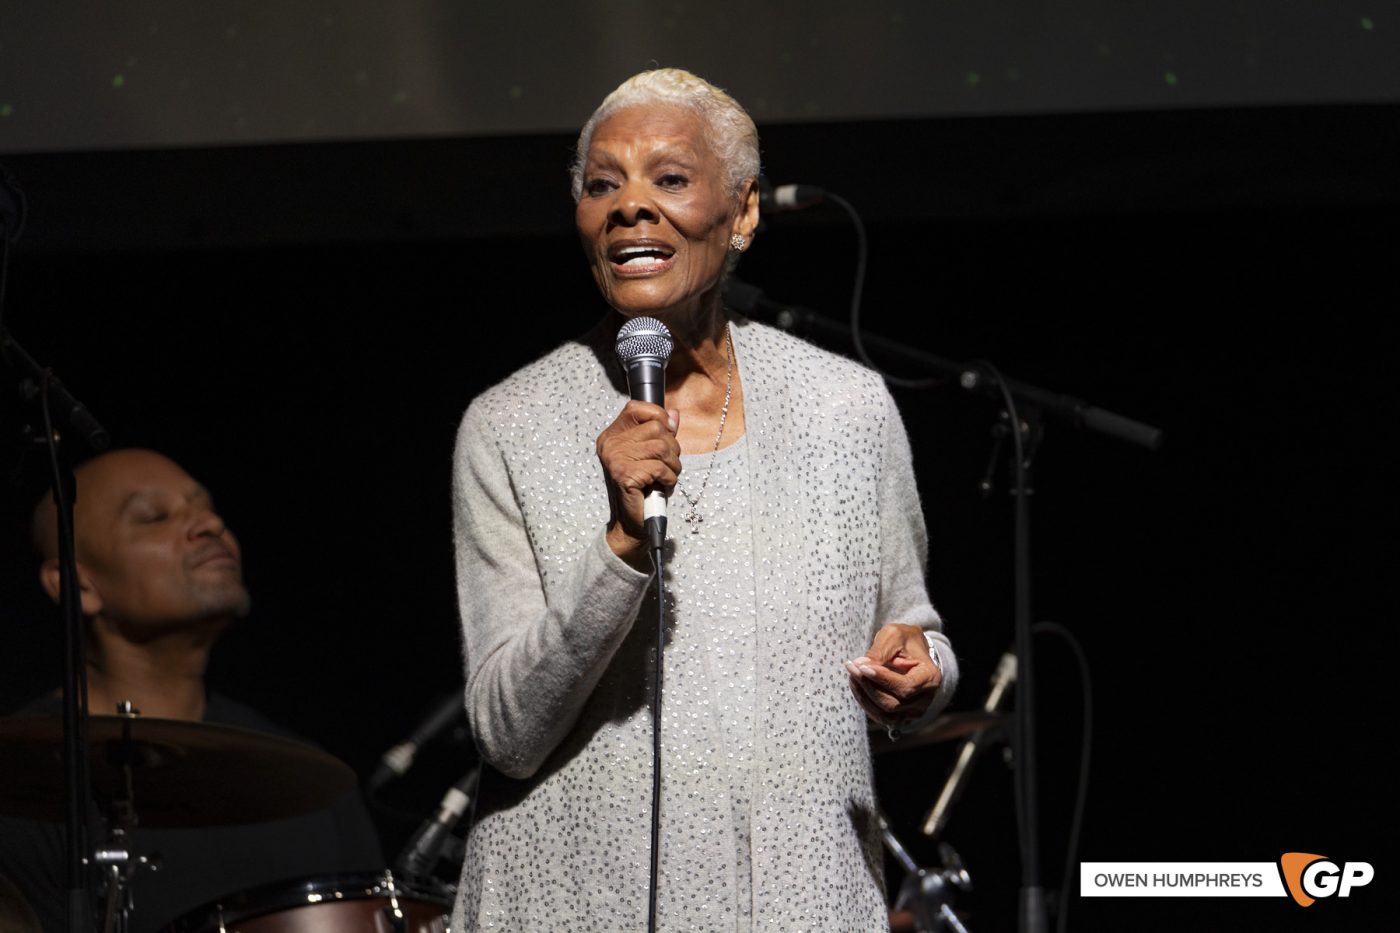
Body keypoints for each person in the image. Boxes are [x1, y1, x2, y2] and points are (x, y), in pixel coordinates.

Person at [450, 68, 960, 930]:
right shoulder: (509, 426)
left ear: (745, 212)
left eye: (670, 179)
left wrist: (924, 676)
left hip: (803, 899)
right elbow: (506, 730)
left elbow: (913, 626)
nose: (629, 207)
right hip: (578, 898)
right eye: (601, 184)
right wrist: (617, 542)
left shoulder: (847, 406)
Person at [0, 449, 383, 933]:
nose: (208, 524)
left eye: (206, 506)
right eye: (154, 516)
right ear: (78, 584)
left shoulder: (314, 785)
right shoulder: (17, 787)